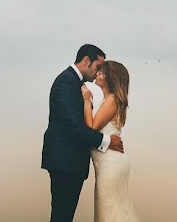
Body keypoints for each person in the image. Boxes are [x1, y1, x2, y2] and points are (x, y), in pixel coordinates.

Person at [42, 44, 124, 222]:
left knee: (63, 216)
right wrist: (108, 141)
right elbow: (74, 126)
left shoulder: (75, 84)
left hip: (70, 162)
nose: (98, 73)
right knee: (62, 216)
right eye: (97, 67)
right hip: (65, 161)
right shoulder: (66, 82)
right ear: (86, 61)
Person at [82, 60, 141, 221]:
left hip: (110, 164)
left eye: (102, 72)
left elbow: (91, 129)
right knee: (113, 209)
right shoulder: (107, 100)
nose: (98, 73)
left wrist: (87, 101)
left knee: (109, 211)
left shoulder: (112, 100)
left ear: (110, 78)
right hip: (109, 163)